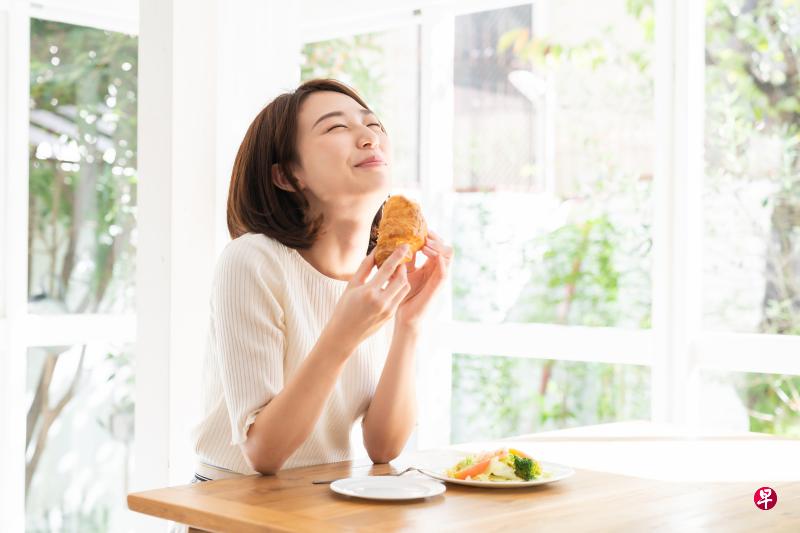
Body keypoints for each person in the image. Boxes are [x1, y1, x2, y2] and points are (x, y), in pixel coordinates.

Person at [190, 78, 453, 482]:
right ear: (288, 176)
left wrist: (408, 323)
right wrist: (343, 333)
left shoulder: (377, 278)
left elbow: (383, 447)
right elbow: (262, 452)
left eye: (373, 125)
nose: (369, 138)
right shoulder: (253, 260)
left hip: (326, 506)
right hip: (232, 509)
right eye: (337, 128)